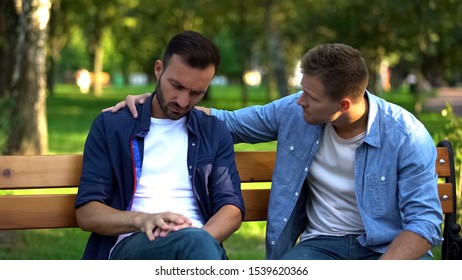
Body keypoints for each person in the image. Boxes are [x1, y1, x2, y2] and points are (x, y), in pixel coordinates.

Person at [107, 43, 443, 260]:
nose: (300, 101)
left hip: (385, 249)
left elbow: (425, 222)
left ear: (342, 105)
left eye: (310, 96)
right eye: (301, 90)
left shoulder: (406, 136)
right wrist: (148, 102)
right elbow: (227, 122)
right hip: (320, 247)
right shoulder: (294, 112)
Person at [75, 30, 244, 260]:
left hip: (200, 246)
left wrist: (199, 242)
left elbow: (231, 209)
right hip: (132, 245)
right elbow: (87, 214)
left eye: (196, 93)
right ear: (158, 70)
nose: (183, 101)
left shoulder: (213, 131)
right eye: (176, 86)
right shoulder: (113, 126)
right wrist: (142, 219)